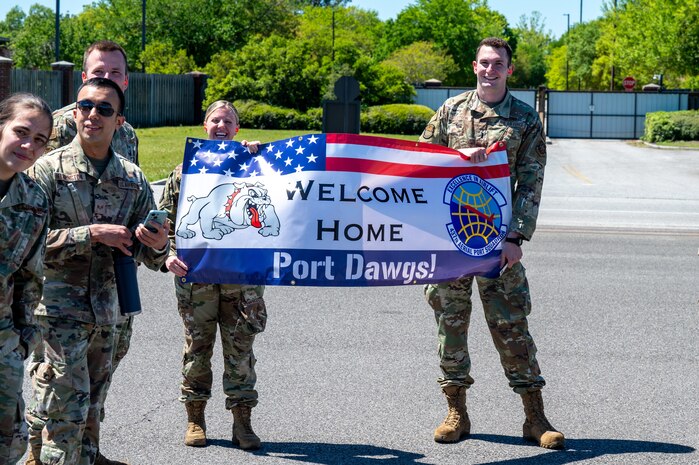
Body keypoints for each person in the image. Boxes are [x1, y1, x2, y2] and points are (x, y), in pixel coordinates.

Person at [419, 37, 565, 449]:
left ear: (509, 69)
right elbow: (420, 164)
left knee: (511, 326)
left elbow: (532, 179)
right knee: (451, 327)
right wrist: (458, 155)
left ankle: (534, 417)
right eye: (484, 63)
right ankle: (456, 411)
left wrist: (516, 236)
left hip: (498, 242)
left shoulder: (524, 118)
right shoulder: (450, 111)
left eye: (498, 63)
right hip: (451, 241)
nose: (490, 69)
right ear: (474, 66)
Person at [25, 77, 169, 465]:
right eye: (85, 106)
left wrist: (157, 245)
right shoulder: (46, 172)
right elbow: (27, 244)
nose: (93, 115)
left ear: (118, 121)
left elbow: (148, 253)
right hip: (58, 316)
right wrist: (89, 234)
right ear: (74, 114)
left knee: (91, 412)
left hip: (109, 316)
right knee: (63, 417)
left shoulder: (133, 178)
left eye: (104, 109)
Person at [158, 100, 267, 450]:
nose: (221, 125)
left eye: (228, 121)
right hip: (197, 279)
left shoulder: (256, 168)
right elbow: (164, 223)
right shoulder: (182, 173)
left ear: (237, 129)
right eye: (215, 120)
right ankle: (195, 418)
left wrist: (258, 158)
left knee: (241, 352)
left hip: (241, 281)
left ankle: (242, 422)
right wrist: (168, 255)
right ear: (205, 126)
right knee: (197, 349)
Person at [0, 93, 52, 465]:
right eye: (21, 131)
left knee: (9, 442)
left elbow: (29, 279)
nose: (28, 146)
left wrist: (22, 341)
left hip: (3, 339)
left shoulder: (33, 199)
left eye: (39, 140)